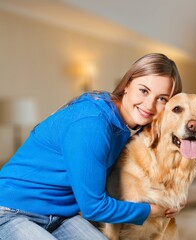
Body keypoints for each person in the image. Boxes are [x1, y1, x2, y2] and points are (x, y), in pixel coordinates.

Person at [0, 53, 183, 240]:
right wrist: (151, 210)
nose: (150, 104)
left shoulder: (128, 127)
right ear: (127, 84)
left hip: (60, 216)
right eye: (144, 90)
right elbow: (94, 208)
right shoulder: (93, 124)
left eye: (162, 99)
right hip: (11, 210)